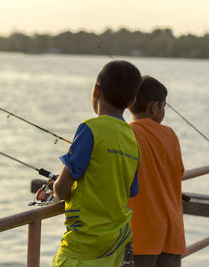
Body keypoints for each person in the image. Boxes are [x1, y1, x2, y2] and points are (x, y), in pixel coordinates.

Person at [50, 60, 142, 267]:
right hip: (116, 239)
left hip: (84, 242)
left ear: (95, 90)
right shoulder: (132, 139)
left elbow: (62, 190)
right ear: (131, 102)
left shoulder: (89, 129)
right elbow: (131, 191)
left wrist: (54, 187)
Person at [127, 75, 186, 267]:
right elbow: (179, 172)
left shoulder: (125, 133)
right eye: (164, 106)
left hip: (141, 234)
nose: (163, 110)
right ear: (154, 107)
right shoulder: (171, 135)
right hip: (172, 233)